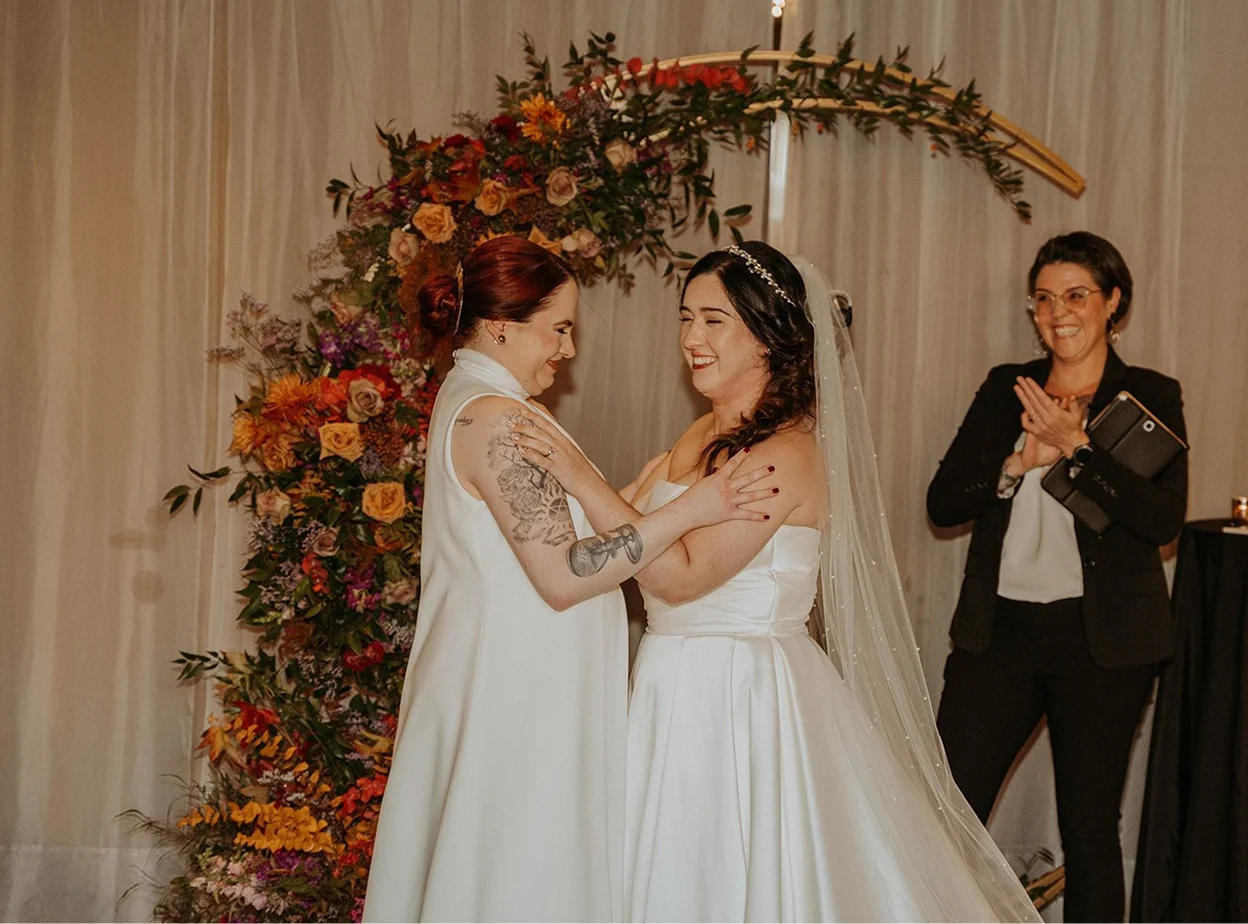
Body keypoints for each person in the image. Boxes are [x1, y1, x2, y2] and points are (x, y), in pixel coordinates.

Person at [512, 241, 1041, 922]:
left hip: (740, 695)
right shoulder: (700, 433)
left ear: (767, 338)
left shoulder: (785, 454)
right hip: (668, 681)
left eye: (713, 320)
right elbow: (618, 536)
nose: (691, 340)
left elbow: (678, 577)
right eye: (685, 318)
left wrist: (580, 474)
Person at [362, 236, 775, 923]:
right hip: (518, 696)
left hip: (516, 680)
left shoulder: (479, 400)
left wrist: (623, 499)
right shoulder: (496, 419)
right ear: (501, 325)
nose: (567, 350)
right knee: (517, 876)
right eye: (558, 329)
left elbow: (536, 542)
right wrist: (693, 509)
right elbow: (560, 575)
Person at [927, 231, 1188, 923]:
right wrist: (1019, 461)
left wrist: (1078, 449)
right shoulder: (1005, 389)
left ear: (1113, 303)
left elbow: (1161, 519)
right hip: (1000, 635)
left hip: (1102, 644)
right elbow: (944, 501)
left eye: (1076, 295)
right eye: (1043, 298)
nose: (1057, 312)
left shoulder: (1150, 394)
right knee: (947, 814)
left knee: (1091, 833)